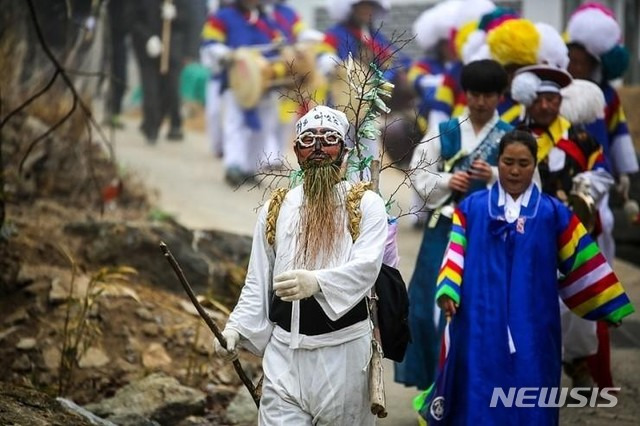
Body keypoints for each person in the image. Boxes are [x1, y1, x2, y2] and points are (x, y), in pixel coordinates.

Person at [421, 129, 634, 425]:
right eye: (508, 162)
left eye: (524, 163)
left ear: (535, 165)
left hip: (534, 324)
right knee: (479, 394)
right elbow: (454, 252)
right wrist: (448, 292)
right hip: (479, 321)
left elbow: (582, 260)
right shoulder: (472, 208)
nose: (515, 170)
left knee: (532, 391)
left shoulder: (552, 213)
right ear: (499, 162)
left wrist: (608, 305)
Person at [212, 105, 388, 424]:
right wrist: (235, 328)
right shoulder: (277, 208)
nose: (318, 148)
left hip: (343, 354)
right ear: (296, 150)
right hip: (284, 355)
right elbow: (257, 280)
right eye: (308, 140)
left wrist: (317, 283)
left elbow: (366, 267)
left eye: (329, 139)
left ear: (345, 149)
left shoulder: (366, 205)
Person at [395, 59, 512, 391]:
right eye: (474, 94)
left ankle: (473, 388)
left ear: (500, 96)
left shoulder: (509, 138)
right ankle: (431, 387)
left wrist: (494, 177)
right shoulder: (445, 131)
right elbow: (418, 172)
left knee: (480, 311)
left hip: (489, 236)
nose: (480, 102)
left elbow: (531, 187)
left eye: (488, 95)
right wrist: (448, 180)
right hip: (443, 230)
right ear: (466, 93)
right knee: (426, 308)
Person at [201, 0, 286, 185]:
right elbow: (209, 45)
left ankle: (250, 169)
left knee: (263, 127)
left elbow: (279, 45)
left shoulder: (267, 20)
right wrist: (227, 54)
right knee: (235, 124)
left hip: (265, 84)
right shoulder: (221, 18)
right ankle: (234, 167)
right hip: (237, 82)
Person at [130, 0, 201, 144]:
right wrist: (147, 38)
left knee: (171, 88)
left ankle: (171, 123)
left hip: (172, 47)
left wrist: (176, 15)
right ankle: (151, 127)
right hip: (147, 47)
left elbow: (189, 19)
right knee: (151, 89)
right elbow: (132, 19)